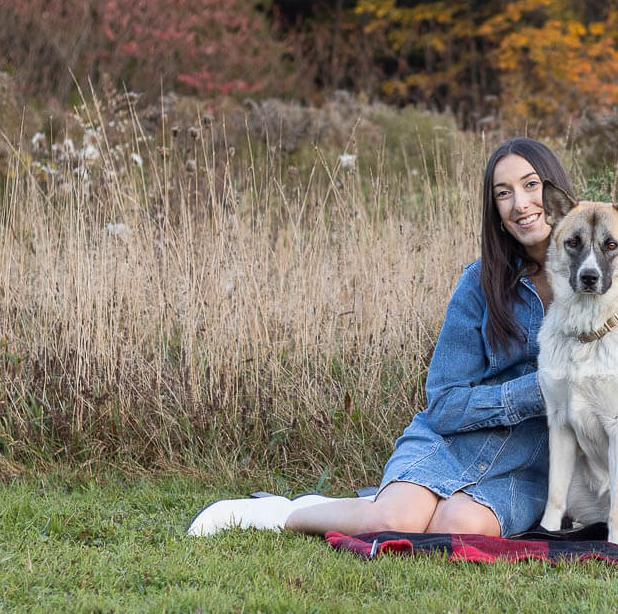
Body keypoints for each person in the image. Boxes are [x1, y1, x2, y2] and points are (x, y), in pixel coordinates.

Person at [187, 138, 569, 538]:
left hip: (529, 464)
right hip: (452, 443)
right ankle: (286, 512)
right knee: (391, 523)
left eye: (530, 185)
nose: (520, 205)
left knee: (456, 527)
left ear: (555, 188)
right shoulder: (478, 282)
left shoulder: (597, 282)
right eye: (503, 194)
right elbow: (444, 404)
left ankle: (379, 501)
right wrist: (539, 388)